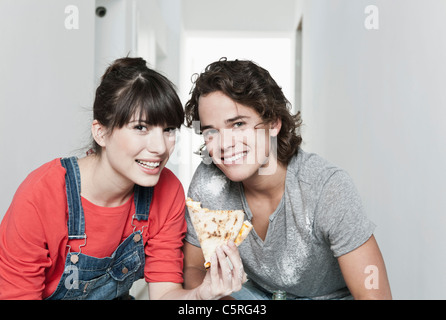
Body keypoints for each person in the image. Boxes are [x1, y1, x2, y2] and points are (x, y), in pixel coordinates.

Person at [0, 57, 245, 300]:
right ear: (101, 133)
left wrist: (203, 294)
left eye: (168, 130)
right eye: (140, 128)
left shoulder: (167, 190)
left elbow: (164, 295)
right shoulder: (41, 196)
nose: (160, 147)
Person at [182, 58, 392, 300]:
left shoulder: (325, 188)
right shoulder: (209, 182)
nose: (224, 144)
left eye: (238, 124)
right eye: (211, 132)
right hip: (258, 295)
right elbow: (194, 268)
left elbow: (375, 295)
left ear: (273, 123)